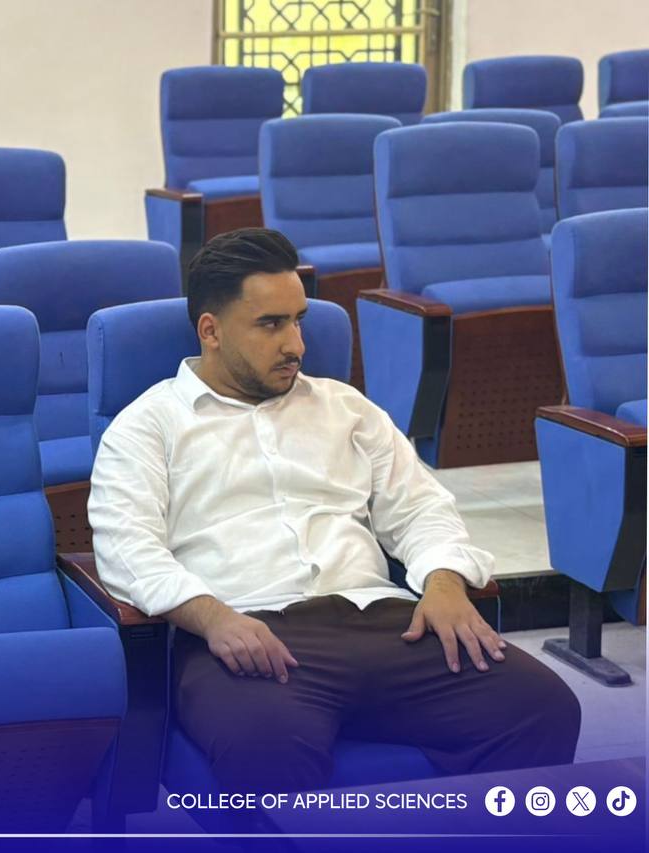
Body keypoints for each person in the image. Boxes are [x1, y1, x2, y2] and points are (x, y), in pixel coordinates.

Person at [88, 228, 581, 794]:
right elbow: (127, 549)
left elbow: (421, 508)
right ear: (211, 331)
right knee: (266, 746)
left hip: (387, 624)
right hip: (249, 636)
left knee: (542, 707)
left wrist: (444, 583)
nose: (296, 344)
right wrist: (214, 619)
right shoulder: (148, 426)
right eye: (271, 325)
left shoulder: (347, 409)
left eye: (299, 320)